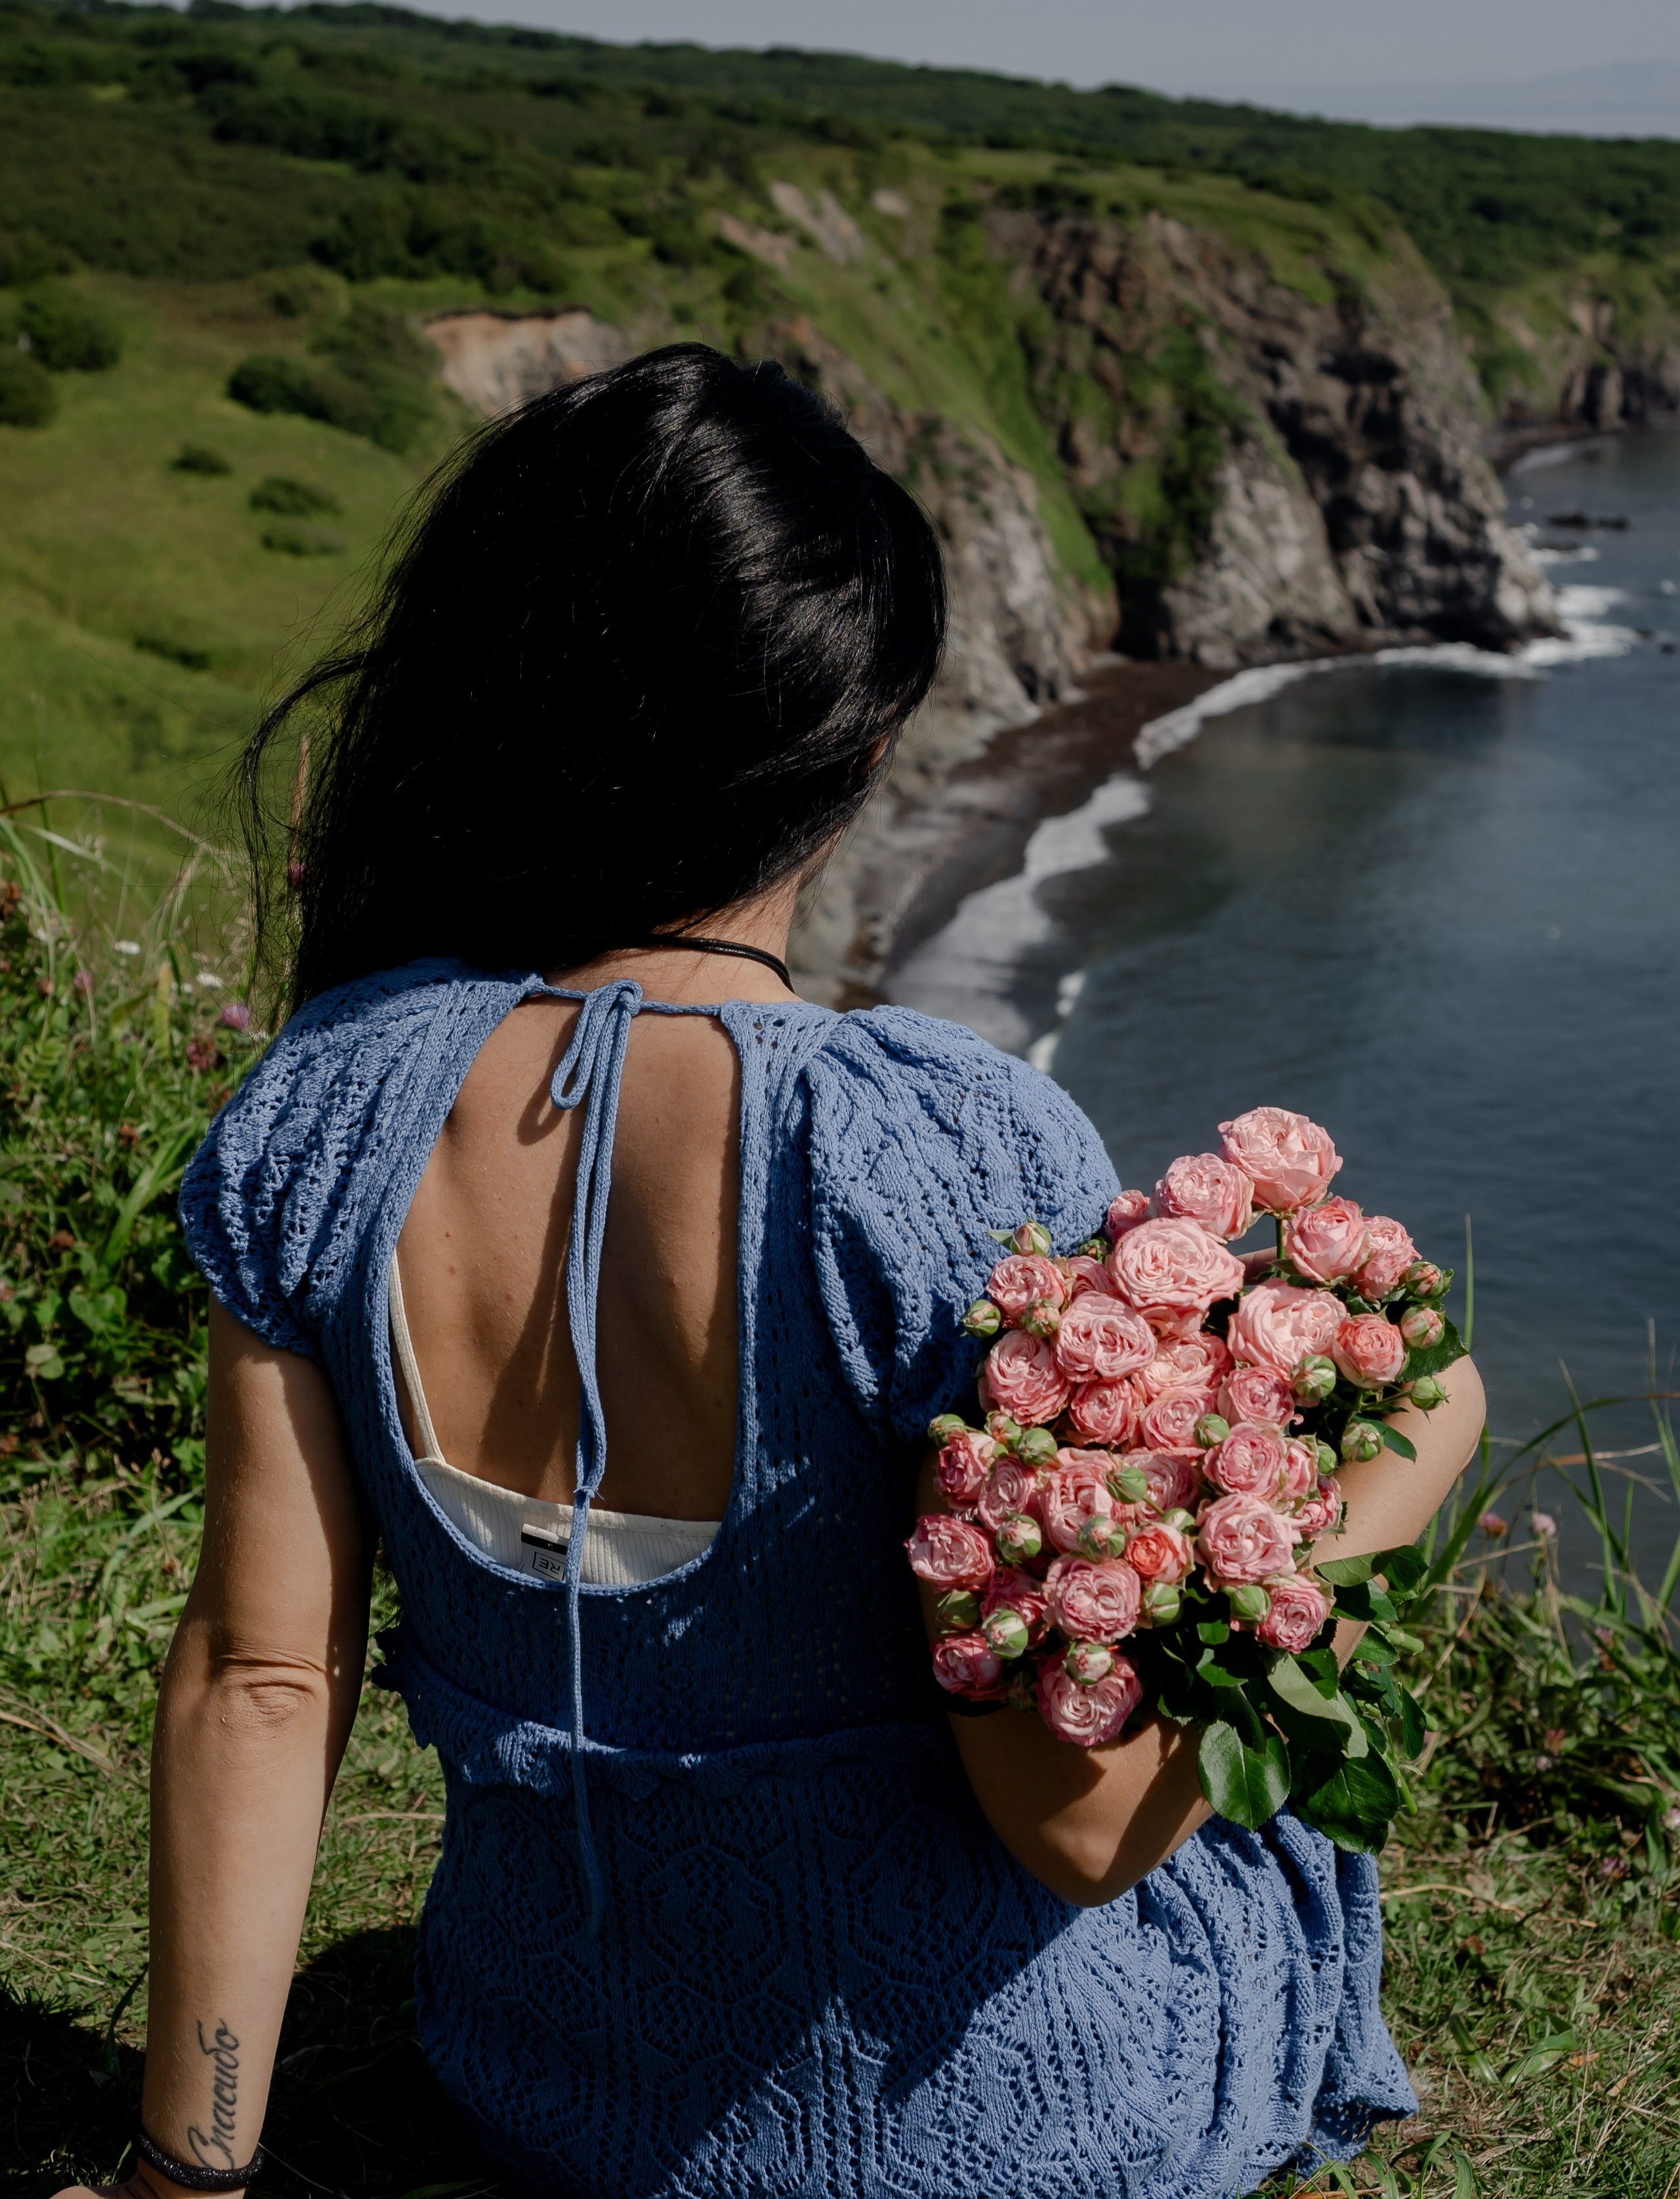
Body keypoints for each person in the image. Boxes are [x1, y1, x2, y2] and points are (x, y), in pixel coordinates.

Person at [66, 345, 1484, 2199]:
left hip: (544, 2086)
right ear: (867, 735)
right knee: (1272, 1840)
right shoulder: (937, 1153)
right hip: (995, 2141)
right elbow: (1078, 1829)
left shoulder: (319, 1114)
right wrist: (1401, 1457)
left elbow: (260, 1680)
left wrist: (187, 2177)